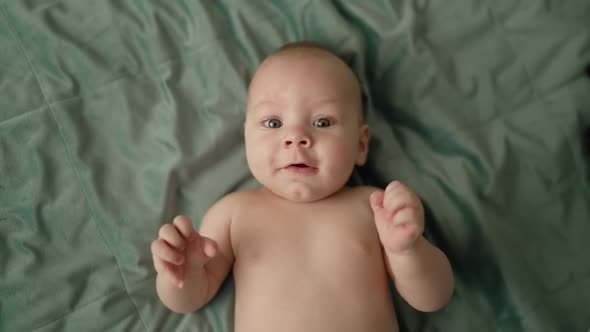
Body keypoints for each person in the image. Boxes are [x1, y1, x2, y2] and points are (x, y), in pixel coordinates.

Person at [151, 41, 454, 331]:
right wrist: (183, 274)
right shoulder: (233, 213)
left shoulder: (375, 208)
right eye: (273, 123)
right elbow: (189, 301)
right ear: (246, 138)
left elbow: (433, 299)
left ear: (361, 145)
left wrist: (408, 250)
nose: (295, 136)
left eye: (323, 122)